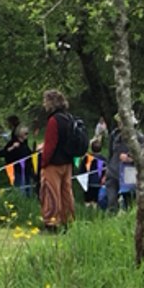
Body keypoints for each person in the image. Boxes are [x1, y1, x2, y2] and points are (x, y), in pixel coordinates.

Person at [39, 89, 76, 232]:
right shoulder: (68, 118)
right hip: (67, 162)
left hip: (54, 163)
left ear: (50, 102)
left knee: (51, 194)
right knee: (66, 193)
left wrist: (43, 163)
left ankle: (51, 223)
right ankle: (68, 221)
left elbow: (51, 145)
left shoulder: (54, 120)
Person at [84, 139, 105, 208]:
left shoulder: (86, 158)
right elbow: (106, 170)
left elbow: (82, 170)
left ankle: (87, 211)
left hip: (88, 183)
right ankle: (95, 211)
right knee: (96, 201)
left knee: (87, 200)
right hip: (99, 183)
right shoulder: (104, 159)